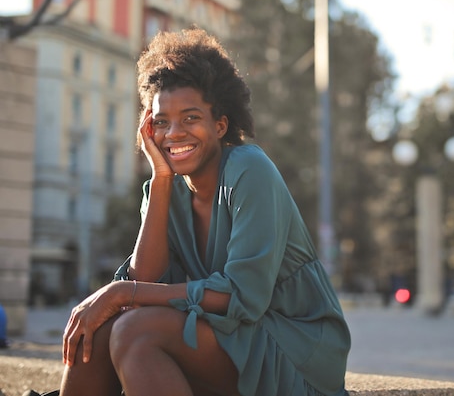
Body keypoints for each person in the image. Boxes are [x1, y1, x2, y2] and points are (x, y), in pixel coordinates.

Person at [54, 28, 351, 396]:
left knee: (134, 328)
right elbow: (147, 279)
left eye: (191, 118)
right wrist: (160, 179)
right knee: (100, 329)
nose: (173, 133)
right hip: (226, 337)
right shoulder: (165, 188)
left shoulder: (249, 170)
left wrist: (120, 292)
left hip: (292, 347)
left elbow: (243, 298)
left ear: (220, 125)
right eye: (161, 122)